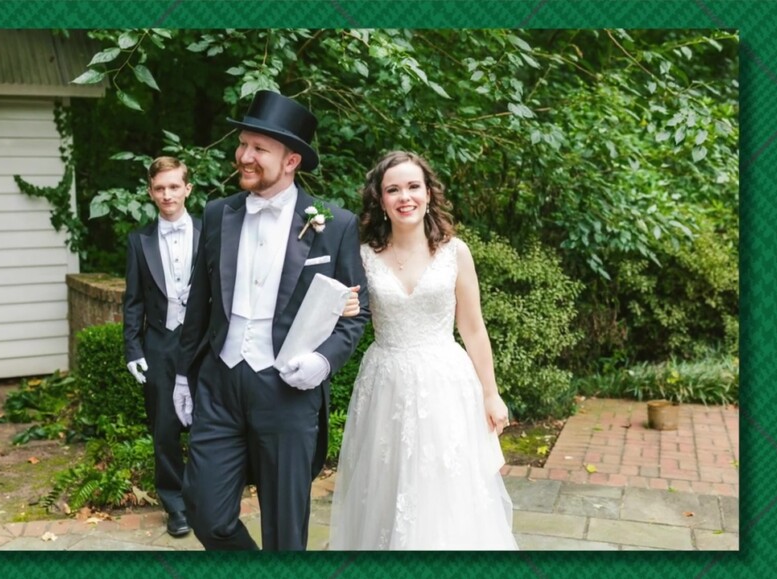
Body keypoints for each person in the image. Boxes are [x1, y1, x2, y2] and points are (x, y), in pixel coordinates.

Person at [173, 90, 370, 551]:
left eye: (259, 149)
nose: (244, 156)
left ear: (291, 161)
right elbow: (199, 304)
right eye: (243, 144)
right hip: (220, 385)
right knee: (205, 510)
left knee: (285, 530)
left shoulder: (334, 225)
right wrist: (184, 374)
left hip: (286, 391)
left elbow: (355, 314)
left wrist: (324, 362)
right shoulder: (219, 213)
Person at [329, 151, 518, 550]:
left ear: (429, 193)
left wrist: (491, 392)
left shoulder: (455, 252)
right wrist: (341, 307)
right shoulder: (363, 255)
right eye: (393, 189)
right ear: (380, 200)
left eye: (413, 186)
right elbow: (347, 311)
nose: (405, 197)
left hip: (445, 384)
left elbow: (473, 327)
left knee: (446, 489)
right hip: (385, 385)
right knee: (386, 488)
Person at [122, 157, 199, 538]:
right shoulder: (139, 240)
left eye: (174, 186)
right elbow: (133, 300)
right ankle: (176, 506)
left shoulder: (211, 231)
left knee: (209, 424)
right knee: (166, 429)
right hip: (160, 345)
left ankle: (208, 498)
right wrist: (133, 349)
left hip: (203, 344)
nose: (167, 194)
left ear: (188, 188)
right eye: (160, 188)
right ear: (151, 192)